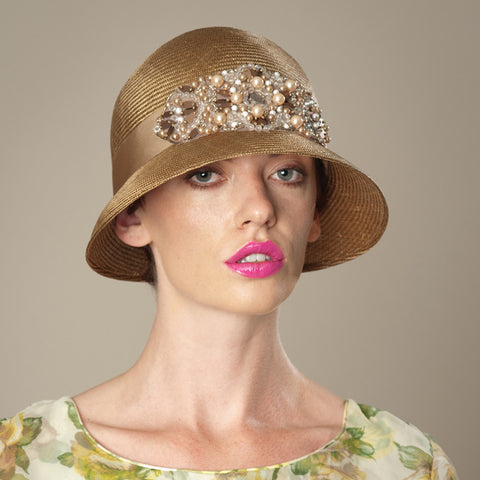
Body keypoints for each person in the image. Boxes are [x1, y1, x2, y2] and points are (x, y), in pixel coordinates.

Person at [0, 27, 457, 480]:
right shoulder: (26, 459)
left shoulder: (401, 464)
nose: (260, 209)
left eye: (286, 173)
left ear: (315, 212)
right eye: (205, 176)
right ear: (133, 217)